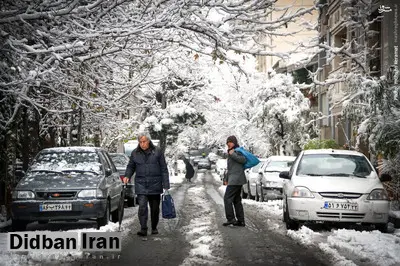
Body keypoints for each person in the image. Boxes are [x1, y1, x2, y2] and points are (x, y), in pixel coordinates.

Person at [124, 132, 170, 236]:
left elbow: (164, 169)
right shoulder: (135, 153)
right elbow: (131, 166)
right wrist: (127, 176)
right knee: (142, 207)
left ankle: (154, 227)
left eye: (144, 141)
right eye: (140, 142)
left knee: (154, 209)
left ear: (148, 141)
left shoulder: (157, 152)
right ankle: (143, 228)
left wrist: (166, 185)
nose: (142, 144)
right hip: (141, 184)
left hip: (155, 184)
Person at [223, 135, 246, 227]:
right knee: (236, 200)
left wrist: (233, 154)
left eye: (230, 142)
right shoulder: (231, 152)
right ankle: (241, 221)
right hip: (234, 179)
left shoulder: (237, 151)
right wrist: (226, 178)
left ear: (234, 142)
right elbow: (230, 168)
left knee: (227, 198)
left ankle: (231, 218)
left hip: (236, 179)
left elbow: (243, 160)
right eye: (228, 142)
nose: (229, 144)